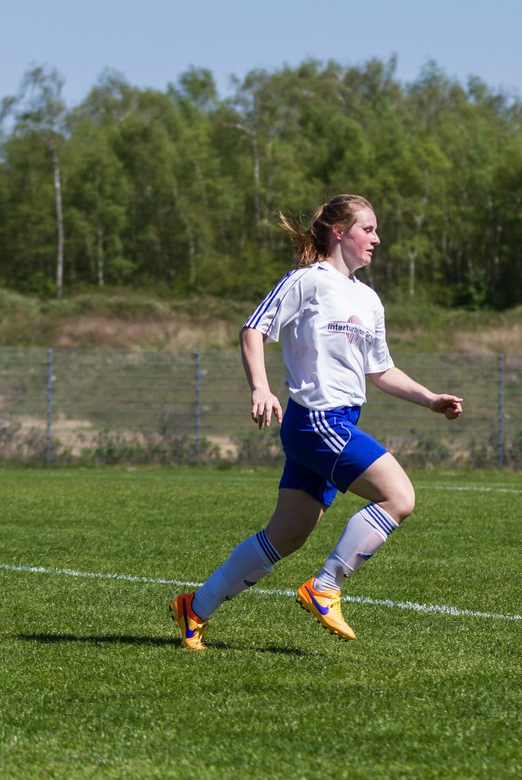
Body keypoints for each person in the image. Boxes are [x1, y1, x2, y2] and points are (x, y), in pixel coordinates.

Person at [170, 194, 463, 649]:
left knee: (285, 536)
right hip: (316, 420)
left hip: (336, 421)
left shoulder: (369, 299)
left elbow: (381, 371)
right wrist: (260, 388)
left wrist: (430, 399)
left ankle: (196, 607)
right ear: (339, 232)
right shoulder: (307, 281)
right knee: (399, 495)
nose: (377, 239)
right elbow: (253, 329)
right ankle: (325, 587)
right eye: (368, 229)